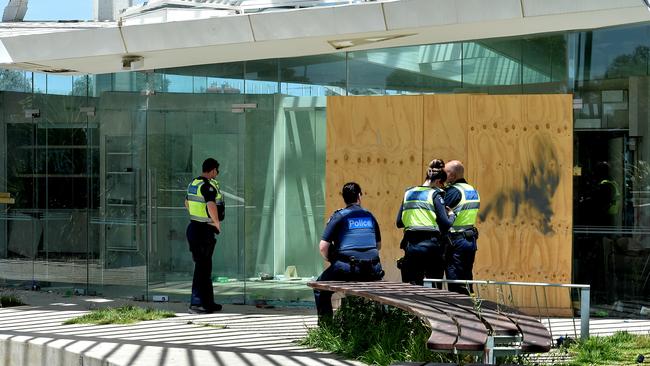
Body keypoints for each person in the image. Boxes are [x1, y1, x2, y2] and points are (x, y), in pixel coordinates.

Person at [313, 182, 384, 319]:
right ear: (359, 196)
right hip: (373, 269)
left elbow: (323, 247)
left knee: (320, 287)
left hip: (347, 269)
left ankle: (326, 328)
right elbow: (378, 246)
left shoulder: (339, 216)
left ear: (344, 198)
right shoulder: (370, 216)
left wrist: (331, 259)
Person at [396, 159, 455, 286]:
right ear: (439, 181)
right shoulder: (435, 195)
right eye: (442, 185)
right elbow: (445, 224)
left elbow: (399, 222)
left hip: (411, 246)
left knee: (413, 287)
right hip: (431, 247)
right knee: (433, 288)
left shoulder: (409, 192)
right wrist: (451, 215)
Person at [185, 158, 225, 314]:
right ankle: (196, 304)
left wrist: (195, 216)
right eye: (217, 171)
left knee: (205, 267)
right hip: (203, 231)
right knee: (202, 268)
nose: (217, 174)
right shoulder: (207, 186)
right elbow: (211, 205)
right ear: (213, 170)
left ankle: (208, 303)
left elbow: (186, 203)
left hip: (195, 227)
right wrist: (216, 223)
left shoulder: (194, 184)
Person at [444, 160, 480, 295]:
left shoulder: (453, 192)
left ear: (452, 176)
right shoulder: (472, 190)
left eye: (444, 173)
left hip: (455, 241)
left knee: (455, 281)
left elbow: (438, 212)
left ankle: (459, 312)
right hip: (469, 240)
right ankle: (472, 308)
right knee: (466, 279)